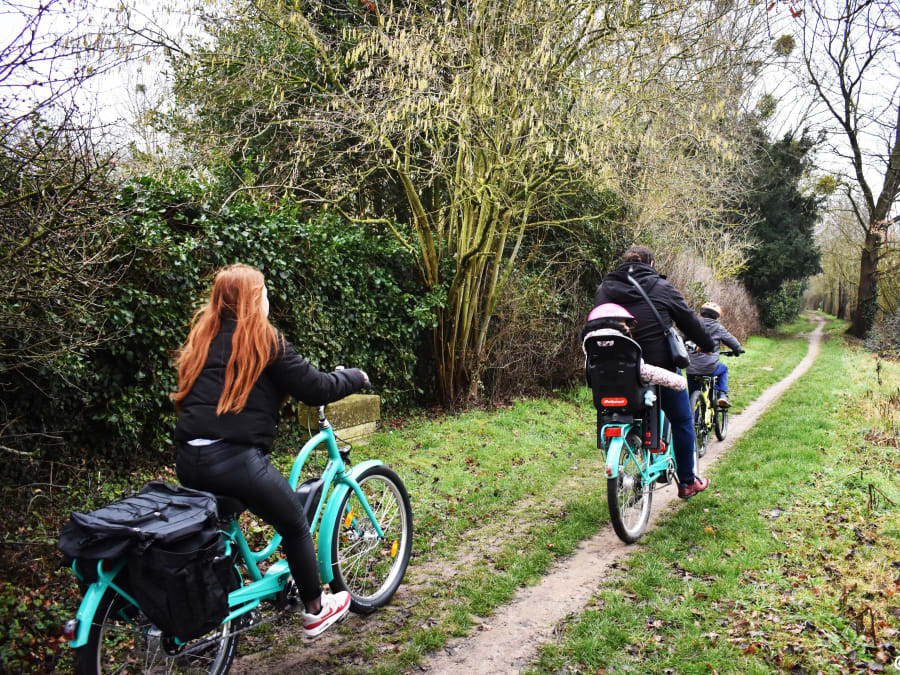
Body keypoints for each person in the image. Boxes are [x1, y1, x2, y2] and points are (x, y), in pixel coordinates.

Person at [172, 263, 369, 638]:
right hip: (232, 461)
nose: (268, 299)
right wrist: (354, 377)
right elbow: (315, 388)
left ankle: (234, 602)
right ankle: (315, 608)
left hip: (189, 459)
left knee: (226, 524)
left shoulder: (202, 337)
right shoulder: (263, 338)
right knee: (294, 522)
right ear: (251, 299)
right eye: (263, 293)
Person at [594, 246, 716, 499]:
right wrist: (708, 345)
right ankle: (686, 482)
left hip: (614, 372)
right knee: (683, 421)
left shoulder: (605, 288)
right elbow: (690, 321)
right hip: (660, 370)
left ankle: (626, 456)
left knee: (617, 413)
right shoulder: (662, 288)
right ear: (651, 263)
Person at [581, 303, 686, 392]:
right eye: (624, 322)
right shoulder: (623, 344)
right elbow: (644, 371)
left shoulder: (590, 345)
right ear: (616, 323)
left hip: (602, 394)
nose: (627, 327)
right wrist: (679, 382)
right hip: (630, 396)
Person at [686, 301, 744, 408]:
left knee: (693, 394)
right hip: (710, 368)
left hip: (691, 368)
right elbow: (732, 342)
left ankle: (694, 415)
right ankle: (722, 394)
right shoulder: (718, 328)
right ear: (717, 316)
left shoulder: (693, 325)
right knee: (724, 369)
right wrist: (738, 350)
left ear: (701, 313)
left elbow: (681, 339)